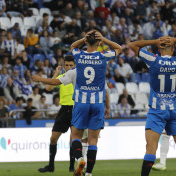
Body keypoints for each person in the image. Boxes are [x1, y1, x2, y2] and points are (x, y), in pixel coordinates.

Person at [33, 30, 121, 176]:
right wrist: (104, 39)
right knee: (93, 140)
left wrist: (39, 79)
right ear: (99, 43)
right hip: (98, 102)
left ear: (86, 42)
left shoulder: (79, 56)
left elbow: (73, 46)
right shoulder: (103, 56)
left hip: (81, 103)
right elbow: (119, 48)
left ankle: (80, 158)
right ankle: (89, 173)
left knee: (75, 136)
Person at [129, 36, 176, 176]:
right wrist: (175, 39)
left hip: (157, 111)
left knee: (151, 148)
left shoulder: (153, 59)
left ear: (160, 49)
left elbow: (133, 45)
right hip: (174, 110)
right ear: (173, 50)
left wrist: (155, 41)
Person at [37, 56, 76, 173]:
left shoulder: (78, 78)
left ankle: (72, 166)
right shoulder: (61, 78)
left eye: (71, 65)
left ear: (74, 66)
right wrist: (56, 73)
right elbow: (48, 87)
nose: (68, 67)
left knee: (73, 140)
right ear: (63, 66)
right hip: (64, 110)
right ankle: (51, 166)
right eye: (67, 65)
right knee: (53, 139)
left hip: (76, 109)